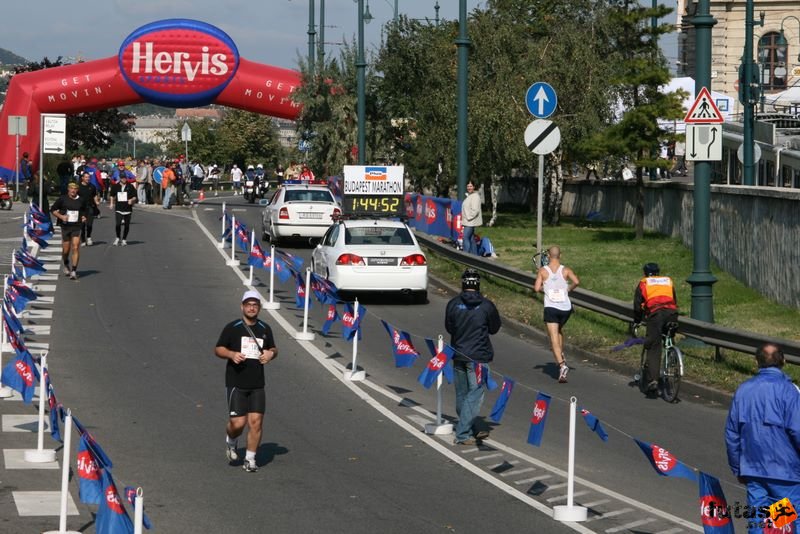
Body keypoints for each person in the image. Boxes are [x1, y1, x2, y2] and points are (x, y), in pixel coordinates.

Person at [725, 343, 800, 534]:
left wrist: (737, 467)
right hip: (785, 472)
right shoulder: (789, 391)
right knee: (790, 522)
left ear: (756, 362)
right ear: (783, 361)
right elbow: (797, 431)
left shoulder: (743, 390)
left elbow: (732, 433)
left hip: (753, 468)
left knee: (759, 522)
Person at [215, 291, 279, 473]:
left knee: (256, 422)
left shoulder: (265, 328)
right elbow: (218, 349)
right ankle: (231, 441)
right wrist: (231, 354)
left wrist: (270, 354)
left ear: (259, 307)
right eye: (248, 304)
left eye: (255, 304)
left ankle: (250, 459)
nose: (252, 307)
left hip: (258, 383)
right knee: (238, 424)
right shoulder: (233, 328)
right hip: (236, 382)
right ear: (242, 306)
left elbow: (273, 348)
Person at [445, 269, 501, 445]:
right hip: (478, 356)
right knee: (475, 394)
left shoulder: (453, 304)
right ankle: (462, 433)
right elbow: (494, 328)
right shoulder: (486, 306)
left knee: (462, 394)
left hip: (459, 353)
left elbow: (449, 327)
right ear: (478, 285)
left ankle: (471, 427)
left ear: (463, 284)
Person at [534, 246, 580, 383]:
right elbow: (576, 282)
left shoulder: (543, 271)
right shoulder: (566, 270)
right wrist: (568, 289)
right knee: (559, 329)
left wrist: (546, 288)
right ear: (560, 255)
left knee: (553, 336)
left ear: (548, 255)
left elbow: (536, 288)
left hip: (551, 307)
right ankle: (561, 354)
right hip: (566, 308)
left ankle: (562, 365)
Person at [633, 262, 678, 396]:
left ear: (645, 273)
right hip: (672, 314)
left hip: (655, 314)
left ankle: (653, 380)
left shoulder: (644, 282)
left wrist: (637, 320)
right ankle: (672, 358)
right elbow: (674, 299)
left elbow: (637, 305)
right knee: (669, 335)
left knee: (654, 346)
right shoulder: (668, 281)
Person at [50, 182, 87, 280]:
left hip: (77, 225)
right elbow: (53, 210)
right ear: (68, 189)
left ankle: (74, 271)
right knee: (66, 250)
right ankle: (66, 264)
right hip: (66, 226)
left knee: (75, 247)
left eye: (75, 189)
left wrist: (84, 217)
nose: (73, 190)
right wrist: (61, 216)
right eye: (71, 188)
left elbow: (84, 210)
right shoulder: (62, 199)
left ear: (77, 190)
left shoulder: (81, 200)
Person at [109, 173, 137, 246]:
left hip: (127, 208)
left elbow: (135, 196)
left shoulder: (130, 186)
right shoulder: (115, 186)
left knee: (127, 225)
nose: (123, 179)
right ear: (120, 178)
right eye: (122, 178)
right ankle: (118, 237)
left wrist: (132, 200)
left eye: (125, 178)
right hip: (118, 208)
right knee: (118, 224)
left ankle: (124, 239)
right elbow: (112, 195)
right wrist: (111, 203)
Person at [460, 180, 483, 255]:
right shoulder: (470, 196)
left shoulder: (475, 196)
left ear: (474, 187)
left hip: (470, 222)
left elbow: (475, 210)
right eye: (468, 186)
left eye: (471, 186)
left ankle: (466, 256)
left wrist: (468, 217)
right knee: (471, 239)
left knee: (465, 238)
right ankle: (475, 257)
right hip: (468, 221)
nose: (469, 188)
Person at [77, 171, 99, 246]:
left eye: (89, 177)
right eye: (86, 177)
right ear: (82, 178)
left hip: (90, 206)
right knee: (82, 225)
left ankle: (89, 237)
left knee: (89, 224)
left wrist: (96, 201)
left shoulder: (92, 186)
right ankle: (83, 239)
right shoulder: (78, 187)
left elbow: (94, 195)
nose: (87, 179)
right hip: (81, 208)